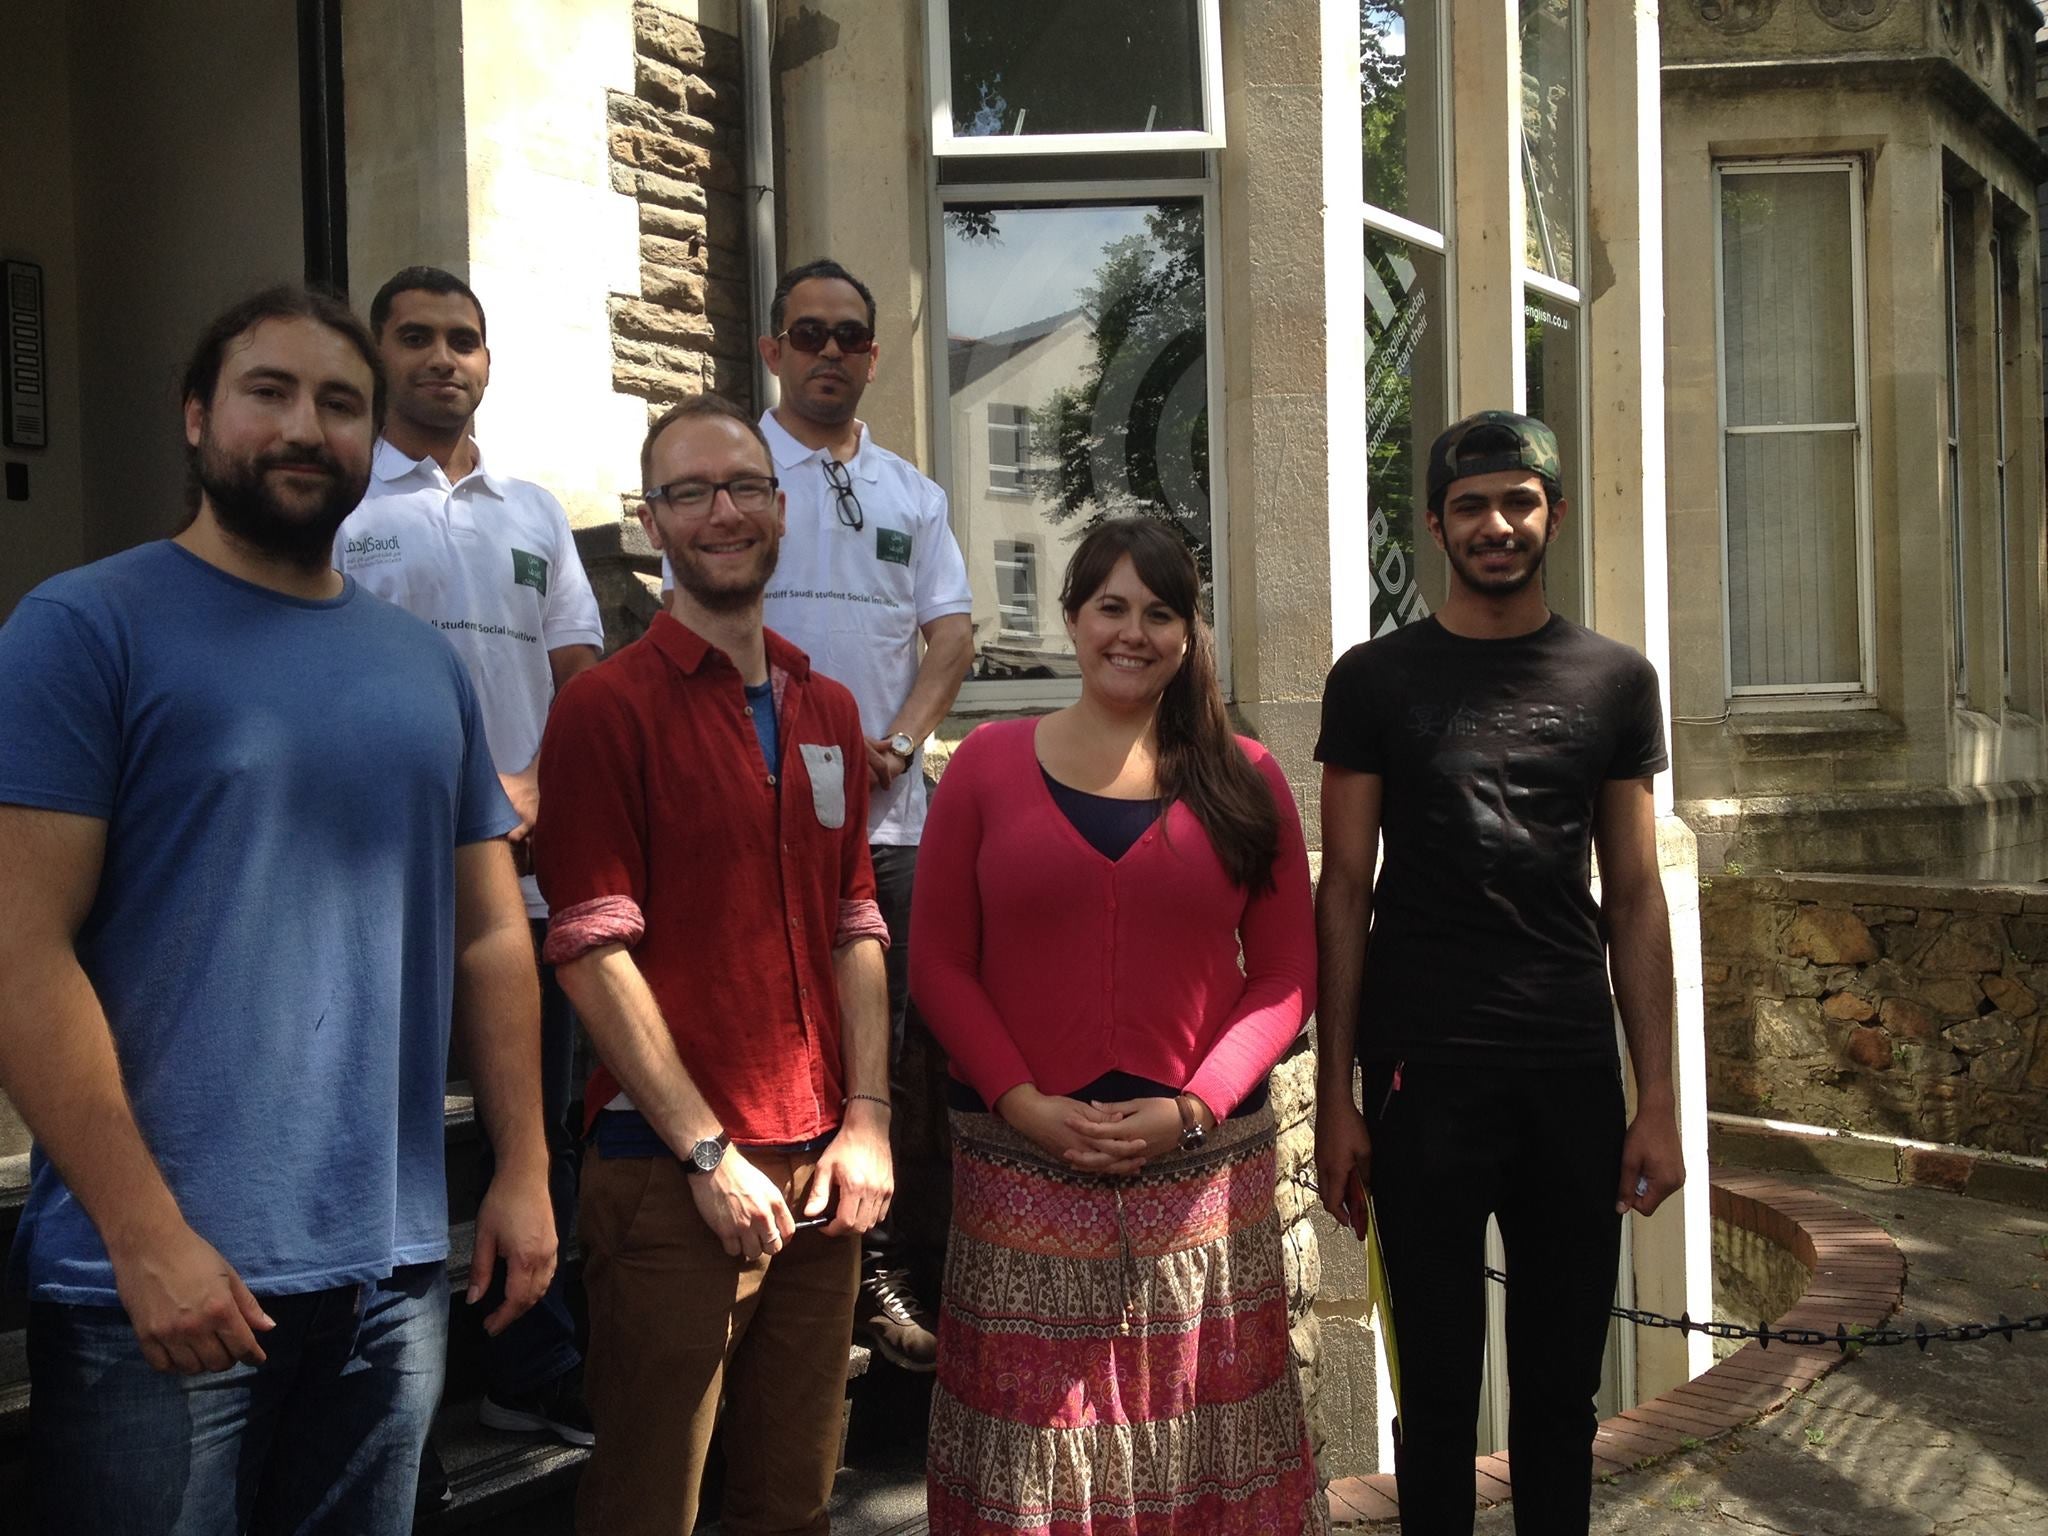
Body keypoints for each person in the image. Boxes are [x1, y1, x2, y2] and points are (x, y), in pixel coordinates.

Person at [0, 285, 556, 1535]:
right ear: (197, 419)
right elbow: (16, 950)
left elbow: (486, 932)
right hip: (151, 1285)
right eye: (271, 392)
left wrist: (519, 1167)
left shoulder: (424, 667)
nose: (307, 428)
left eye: (340, 405)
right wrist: (144, 1235)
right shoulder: (83, 630)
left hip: (391, 1279)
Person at [911, 517, 1326, 1534]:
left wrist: (1191, 1106)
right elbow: (936, 963)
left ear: (1187, 633)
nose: (1130, 633)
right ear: (1069, 619)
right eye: (1110, 607)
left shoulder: (1246, 778)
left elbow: (1283, 974)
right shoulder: (982, 767)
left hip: (1199, 1177)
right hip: (1017, 1171)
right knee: (1030, 1467)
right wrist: (1024, 1104)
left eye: (1158, 611)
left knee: (1198, 1449)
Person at [1312, 410, 1684, 1535]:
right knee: (1432, 1397)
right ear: (1433, 524)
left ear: (1553, 517)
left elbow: (1631, 892)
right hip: (1423, 1070)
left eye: (1518, 501)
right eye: (1470, 504)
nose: (1495, 523)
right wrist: (1335, 1099)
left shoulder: (1614, 679)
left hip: (1568, 1069)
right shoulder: (1373, 680)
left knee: (1558, 1397)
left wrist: (1657, 1097)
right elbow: (1342, 888)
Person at [535, 392, 895, 1535]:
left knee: (791, 1504)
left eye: (741, 487)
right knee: (650, 1509)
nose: (721, 511)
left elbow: (855, 921)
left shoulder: (825, 704)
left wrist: (870, 1120)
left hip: (821, 1176)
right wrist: (705, 1150)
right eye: (690, 492)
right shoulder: (601, 711)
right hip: (668, 1174)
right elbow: (591, 950)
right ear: (653, 522)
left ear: (780, 509)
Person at [666, 257, 974, 1369]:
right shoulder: (736, 480)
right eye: (809, 334)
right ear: (773, 351)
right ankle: (774, 1264)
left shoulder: (911, 494)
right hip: (758, 819)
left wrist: (896, 742)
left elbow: (951, 633)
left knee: (895, 1056)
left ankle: (879, 1271)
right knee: (761, 1034)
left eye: (850, 336)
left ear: (874, 355)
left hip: (889, 822)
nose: (830, 353)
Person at [335, 264, 604, 1447]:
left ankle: (521, 1361)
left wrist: (538, 783)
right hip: (377, 873)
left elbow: (578, 673)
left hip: (524, 874)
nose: (444, 358)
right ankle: (373, 1377)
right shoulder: (341, 500)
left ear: (487, 362)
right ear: (378, 355)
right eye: (417, 338)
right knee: (387, 1123)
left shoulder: (532, 510)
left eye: (464, 340)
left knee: (525, 1129)